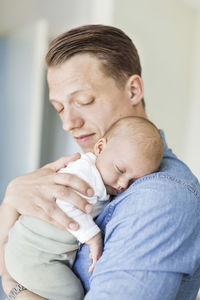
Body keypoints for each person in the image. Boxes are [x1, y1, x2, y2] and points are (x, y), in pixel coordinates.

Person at [0, 24, 200, 300]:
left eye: (84, 100)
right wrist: (11, 198)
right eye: (59, 108)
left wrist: (13, 284)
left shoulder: (161, 198)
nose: (68, 123)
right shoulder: (85, 172)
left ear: (133, 90)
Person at [4, 116, 164, 300]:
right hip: (32, 252)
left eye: (134, 181)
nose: (123, 184)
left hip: (43, 254)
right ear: (100, 148)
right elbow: (63, 201)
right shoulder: (85, 173)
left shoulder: (108, 179)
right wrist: (93, 236)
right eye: (120, 170)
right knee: (70, 294)